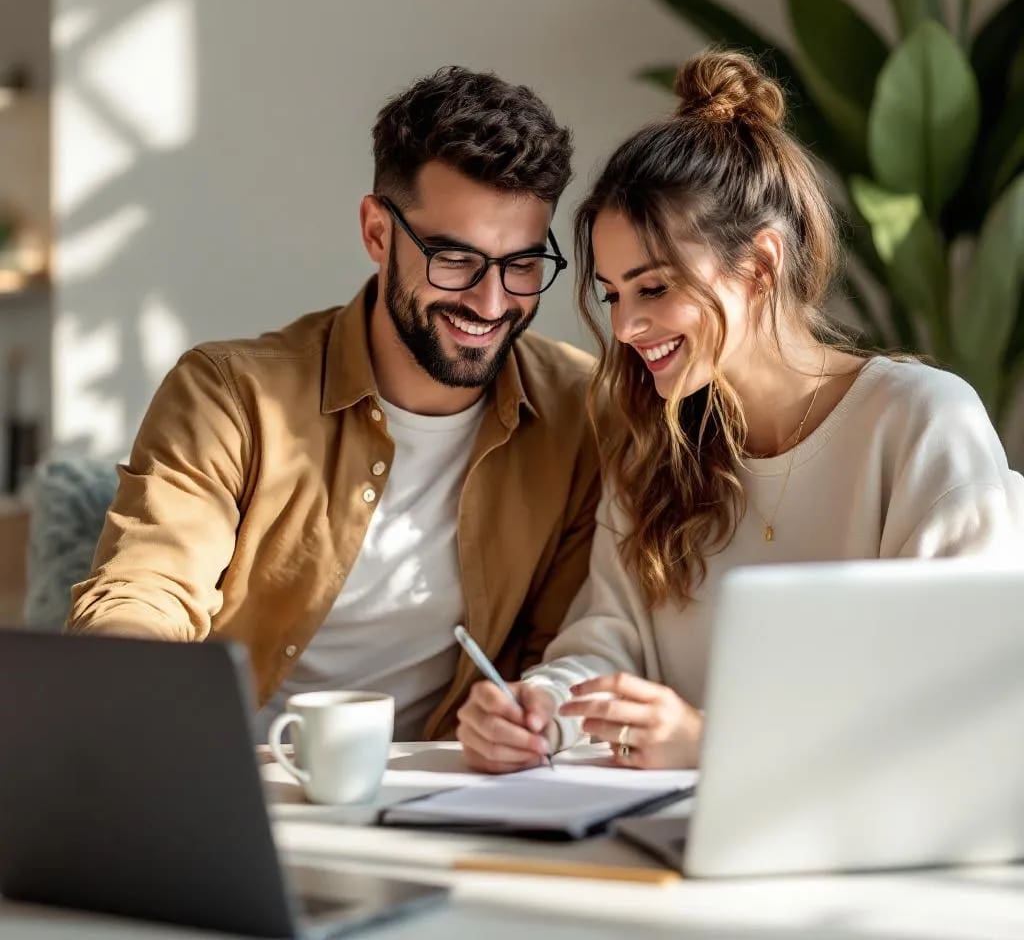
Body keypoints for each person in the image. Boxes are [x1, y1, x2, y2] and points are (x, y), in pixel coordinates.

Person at [456, 50, 1024, 772]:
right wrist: (539, 709)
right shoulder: (654, 444)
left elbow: (963, 701)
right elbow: (607, 640)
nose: (625, 327)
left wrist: (711, 741)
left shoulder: (920, 424)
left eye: (654, 288)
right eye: (613, 294)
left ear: (760, 265)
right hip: (666, 830)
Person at [68, 66, 602, 742]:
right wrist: (130, 675)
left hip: (454, 783)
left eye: (521, 264)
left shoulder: (581, 410)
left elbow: (559, 649)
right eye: (453, 259)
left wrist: (532, 720)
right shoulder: (229, 395)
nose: (491, 302)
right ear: (377, 232)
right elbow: (148, 588)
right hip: (243, 773)